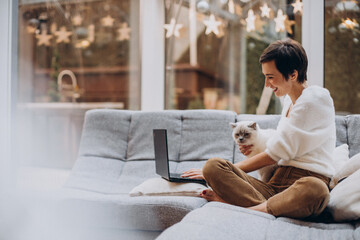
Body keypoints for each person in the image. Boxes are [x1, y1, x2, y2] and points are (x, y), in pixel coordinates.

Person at [181, 39, 336, 219]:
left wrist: (233, 169)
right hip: (273, 185)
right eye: (265, 77)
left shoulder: (316, 98)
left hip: (304, 183)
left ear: (293, 74)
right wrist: (247, 155)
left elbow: (276, 153)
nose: (267, 84)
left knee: (316, 191)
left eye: (270, 77)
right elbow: (282, 146)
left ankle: (246, 210)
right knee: (213, 166)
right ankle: (268, 208)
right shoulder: (289, 102)